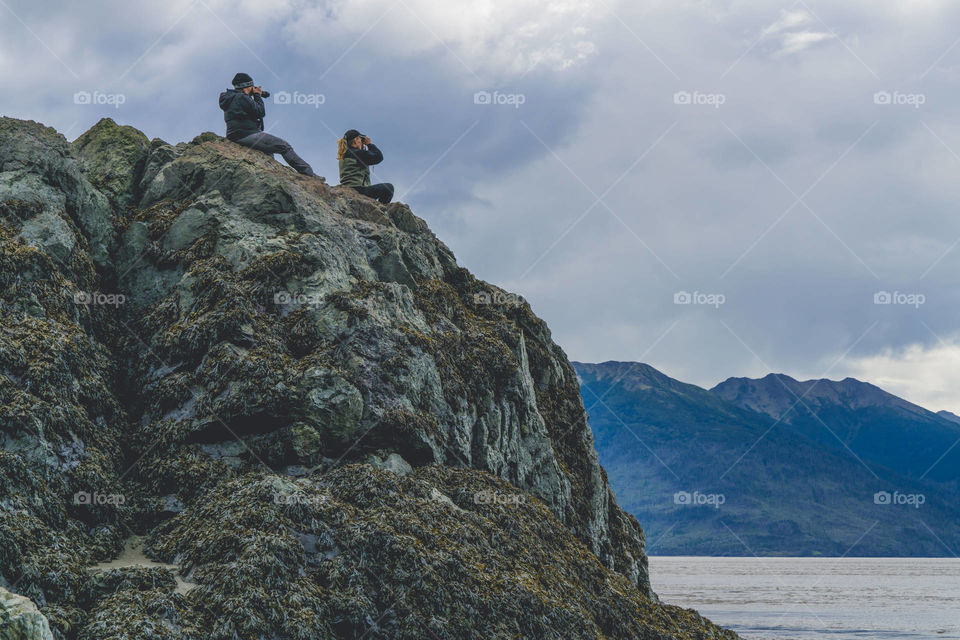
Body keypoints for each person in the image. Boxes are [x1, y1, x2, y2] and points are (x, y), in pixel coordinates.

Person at [218, 73, 315, 176]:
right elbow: (260, 112)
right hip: (247, 134)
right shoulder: (242, 97)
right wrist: (257, 95)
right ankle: (309, 174)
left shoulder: (230, 97)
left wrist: (254, 95)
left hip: (235, 135)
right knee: (284, 146)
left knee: (268, 153)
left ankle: (273, 175)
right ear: (247, 87)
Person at [337, 129, 394, 204]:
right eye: (360, 139)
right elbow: (378, 157)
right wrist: (369, 144)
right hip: (358, 190)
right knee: (389, 188)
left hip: (349, 188)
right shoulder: (357, 153)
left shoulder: (346, 154)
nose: (362, 142)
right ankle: (381, 209)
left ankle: (378, 208)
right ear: (355, 140)